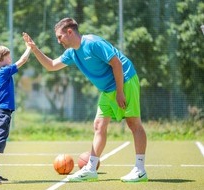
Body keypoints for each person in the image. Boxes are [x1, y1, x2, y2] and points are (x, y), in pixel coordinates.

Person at [23, 18, 148, 183]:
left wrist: (120, 92)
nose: (58, 41)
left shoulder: (92, 43)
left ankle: (140, 170)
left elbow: (116, 64)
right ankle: (90, 169)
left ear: (69, 32)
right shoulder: (72, 53)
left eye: (59, 37)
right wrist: (34, 49)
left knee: (133, 124)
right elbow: (51, 65)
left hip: (125, 81)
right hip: (108, 89)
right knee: (98, 125)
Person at [0, 39, 31, 185]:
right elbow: (23, 60)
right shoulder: (4, 71)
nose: (11, 59)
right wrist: (29, 48)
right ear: (0, 60)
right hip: (2, 113)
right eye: (8, 56)